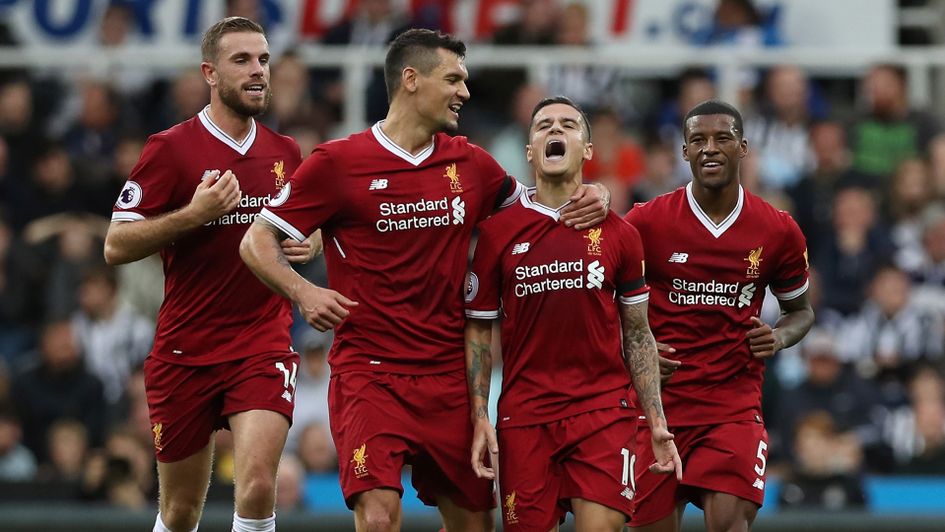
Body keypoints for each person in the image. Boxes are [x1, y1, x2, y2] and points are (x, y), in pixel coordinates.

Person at [239, 28, 608, 531]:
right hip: (370, 374)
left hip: (448, 376)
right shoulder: (338, 164)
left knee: (475, 523)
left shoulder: (470, 163)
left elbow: (537, 207)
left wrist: (596, 196)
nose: (465, 92)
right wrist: (303, 291)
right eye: (454, 79)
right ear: (411, 80)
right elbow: (255, 241)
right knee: (377, 515)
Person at [103, 17, 318, 532]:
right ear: (210, 73)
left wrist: (304, 241)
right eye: (242, 60)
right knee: (179, 511)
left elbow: (301, 232)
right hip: (185, 349)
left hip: (261, 341)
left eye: (263, 60)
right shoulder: (171, 149)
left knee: (260, 484)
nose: (258, 71)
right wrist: (192, 215)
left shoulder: (286, 153)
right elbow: (115, 244)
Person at [463, 96, 681, 531]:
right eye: (544, 126)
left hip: (603, 411)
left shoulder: (621, 235)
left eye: (568, 125)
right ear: (529, 151)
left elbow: (638, 335)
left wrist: (656, 421)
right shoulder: (495, 234)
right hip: (525, 416)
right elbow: (478, 333)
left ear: (588, 149)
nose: (555, 131)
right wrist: (478, 414)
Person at [624, 100, 814, 531]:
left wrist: (780, 337)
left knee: (731, 524)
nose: (710, 148)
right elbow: (604, 306)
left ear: (743, 147)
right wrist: (638, 349)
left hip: (732, 406)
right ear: (684, 152)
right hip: (658, 408)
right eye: (698, 140)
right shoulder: (645, 223)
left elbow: (800, 312)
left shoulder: (777, 229)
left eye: (722, 138)